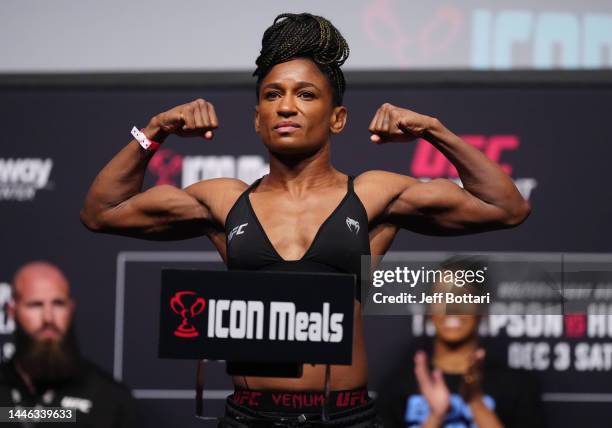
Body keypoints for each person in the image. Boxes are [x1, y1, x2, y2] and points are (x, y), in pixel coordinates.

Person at [80, 12, 530, 427]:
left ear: (337, 119)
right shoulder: (224, 200)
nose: (286, 106)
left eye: (306, 94)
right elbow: (102, 212)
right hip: (249, 417)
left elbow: (505, 207)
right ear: (258, 119)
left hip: (343, 416)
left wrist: (433, 129)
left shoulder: (372, 195)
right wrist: (154, 130)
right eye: (273, 95)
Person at [376, 259, 544, 427]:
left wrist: (476, 402)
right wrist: (436, 415)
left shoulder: (518, 387)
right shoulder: (396, 388)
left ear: (482, 308)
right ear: (428, 309)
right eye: (442, 296)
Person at [0, 261, 141, 427]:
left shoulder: (110, 399)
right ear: (12, 311)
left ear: (71, 308)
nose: (48, 318)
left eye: (58, 304)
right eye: (35, 305)